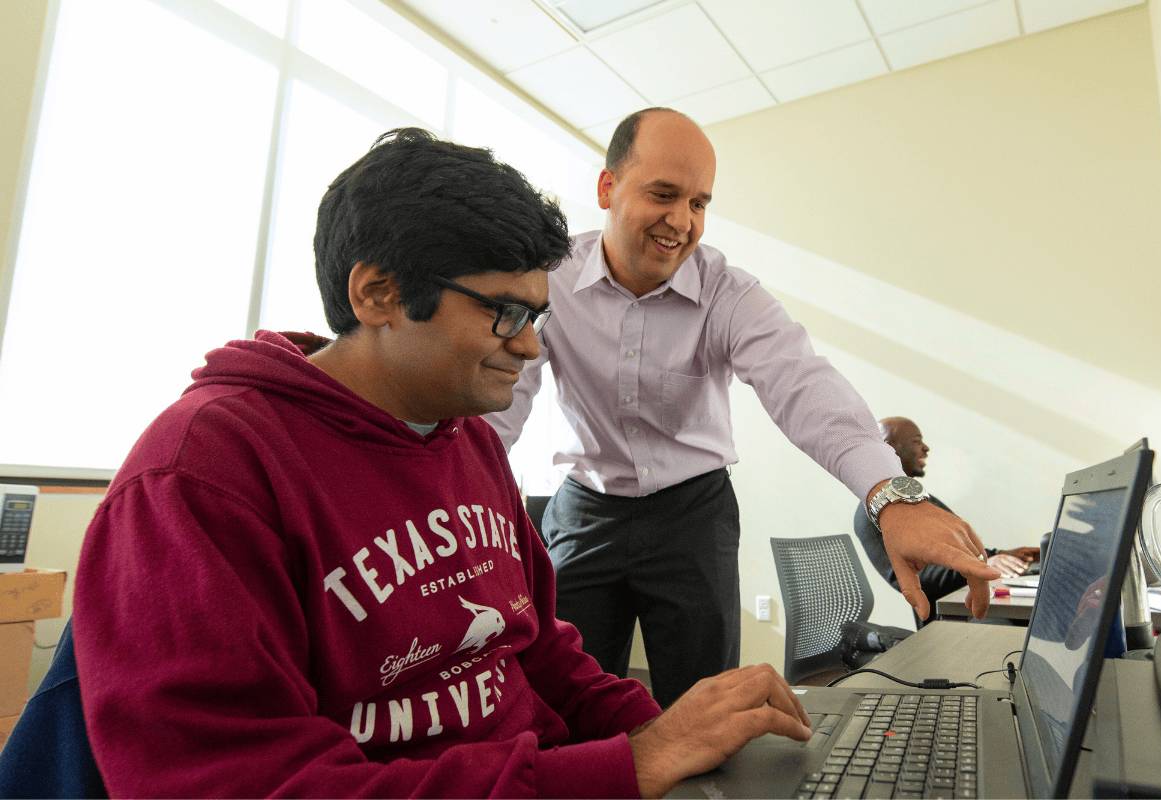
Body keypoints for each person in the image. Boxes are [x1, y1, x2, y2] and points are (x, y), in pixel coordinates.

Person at [70, 128, 813, 798]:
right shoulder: (202, 475)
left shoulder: (469, 441)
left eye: (537, 315)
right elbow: (247, 784)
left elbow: (539, 653)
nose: (530, 345)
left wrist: (674, 734)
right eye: (504, 312)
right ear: (379, 294)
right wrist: (628, 766)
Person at [485, 107, 1001, 708]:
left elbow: (802, 385)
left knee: (701, 703)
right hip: (585, 509)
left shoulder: (728, 294)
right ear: (607, 188)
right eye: (663, 195)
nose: (682, 222)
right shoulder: (549, 280)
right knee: (564, 697)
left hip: (692, 515)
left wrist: (890, 493)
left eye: (699, 203)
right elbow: (499, 403)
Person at [853, 416, 1040, 603]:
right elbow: (911, 578)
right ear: (888, 449)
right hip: (951, 611)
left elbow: (961, 548)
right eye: (917, 441)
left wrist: (1001, 555)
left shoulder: (920, 500)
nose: (926, 448)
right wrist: (980, 566)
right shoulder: (874, 514)